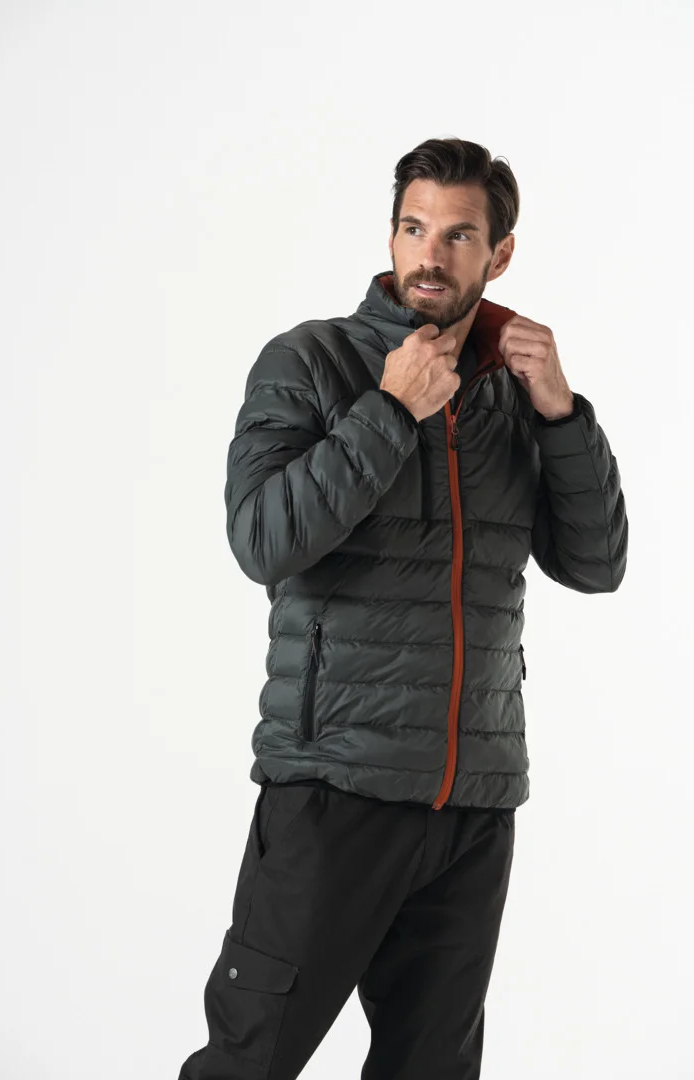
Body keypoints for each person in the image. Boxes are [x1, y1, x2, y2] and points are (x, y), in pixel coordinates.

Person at [177, 137, 628, 1080]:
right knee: (249, 1062)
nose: (430, 254)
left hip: (473, 801)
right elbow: (262, 540)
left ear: (499, 253)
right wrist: (387, 412)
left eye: (458, 235)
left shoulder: (515, 392)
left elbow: (595, 565)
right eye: (414, 228)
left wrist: (561, 415)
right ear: (390, 236)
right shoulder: (312, 361)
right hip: (334, 787)